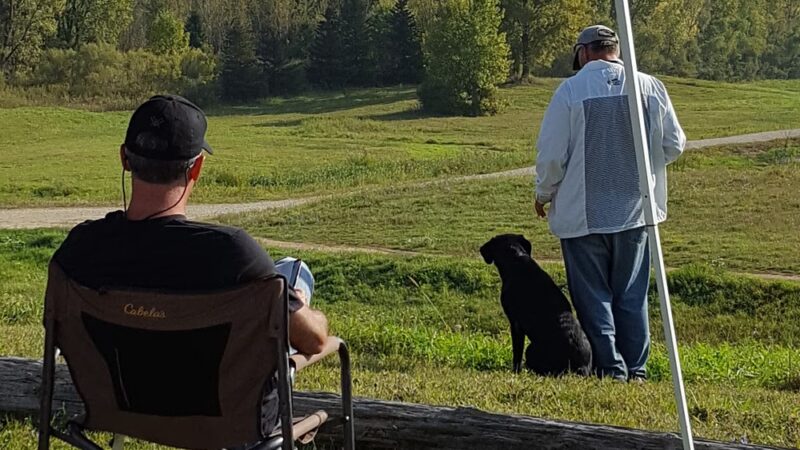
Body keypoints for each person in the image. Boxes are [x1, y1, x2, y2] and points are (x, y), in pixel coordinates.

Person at [50, 94, 329, 429]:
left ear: (124, 158)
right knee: (294, 273)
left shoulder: (79, 249)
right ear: (197, 166)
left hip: (118, 411)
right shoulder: (232, 254)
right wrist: (313, 314)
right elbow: (314, 340)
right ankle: (295, 291)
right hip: (227, 423)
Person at [534, 25, 686, 381]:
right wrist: (644, 163)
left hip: (583, 214)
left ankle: (610, 368)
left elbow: (553, 156)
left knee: (593, 298)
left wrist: (543, 194)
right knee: (632, 296)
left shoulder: (570, 90)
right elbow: (675, 143)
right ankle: (637, 369)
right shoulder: (649, 86)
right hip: (635, 211)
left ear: (582, 53)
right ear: (616, 49)